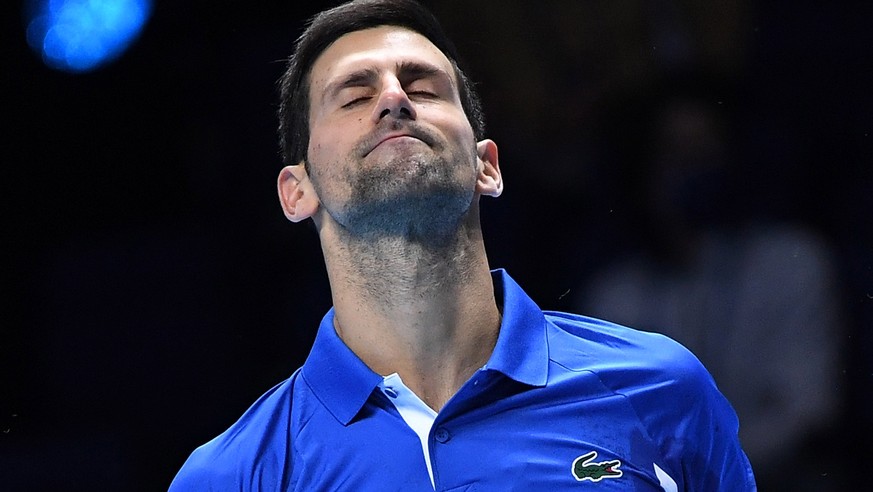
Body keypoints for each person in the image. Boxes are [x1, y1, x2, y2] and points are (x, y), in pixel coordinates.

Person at [170, 0, 756, 490]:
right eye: (353, 96)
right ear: (297, 193)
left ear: (487, 167)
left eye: (423, 87)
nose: (395, 100)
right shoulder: (233, 474)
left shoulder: (658, 390)